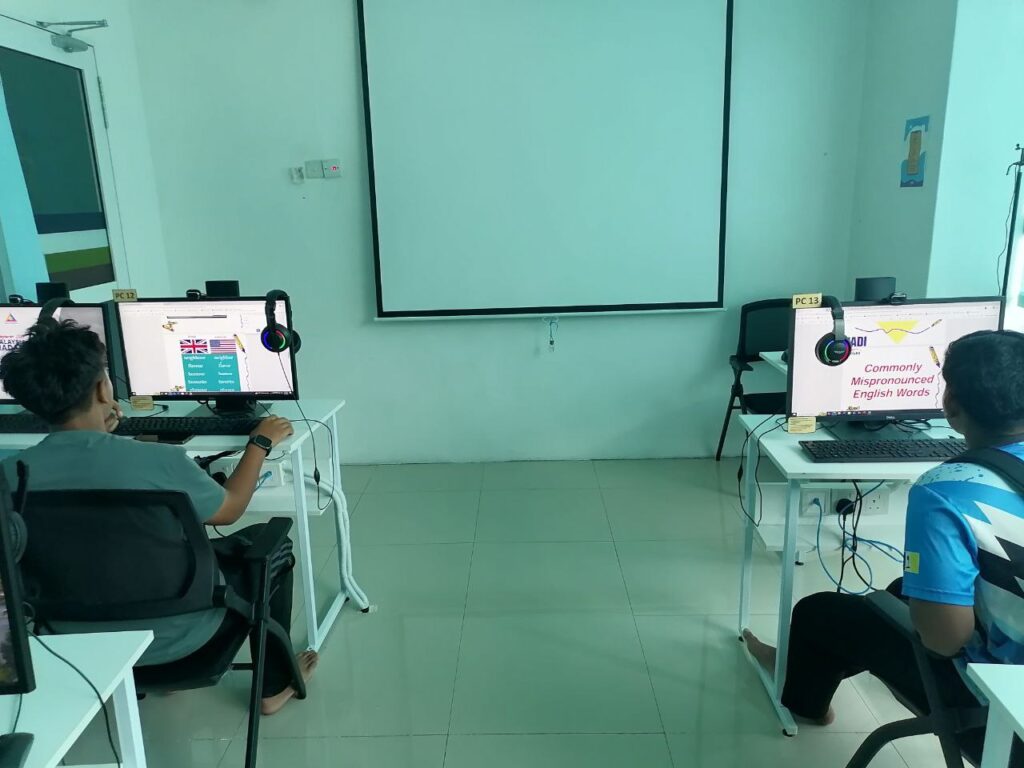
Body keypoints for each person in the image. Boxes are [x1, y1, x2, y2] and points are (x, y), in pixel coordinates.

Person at [0, 318, 317, 715]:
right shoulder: (161, 460)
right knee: (272, 544)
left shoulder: (8, 476)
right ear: (102, 389)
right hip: (185, 640)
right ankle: (272, 686)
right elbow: (230, 509)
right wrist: (260, 442)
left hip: (69, 641)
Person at [743, 330, 1024, 761]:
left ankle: (803, 700)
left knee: (820, 613)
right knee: (900, 589)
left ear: (951, 404)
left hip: (1003, 719)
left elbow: (944, 640)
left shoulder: (947, 490)